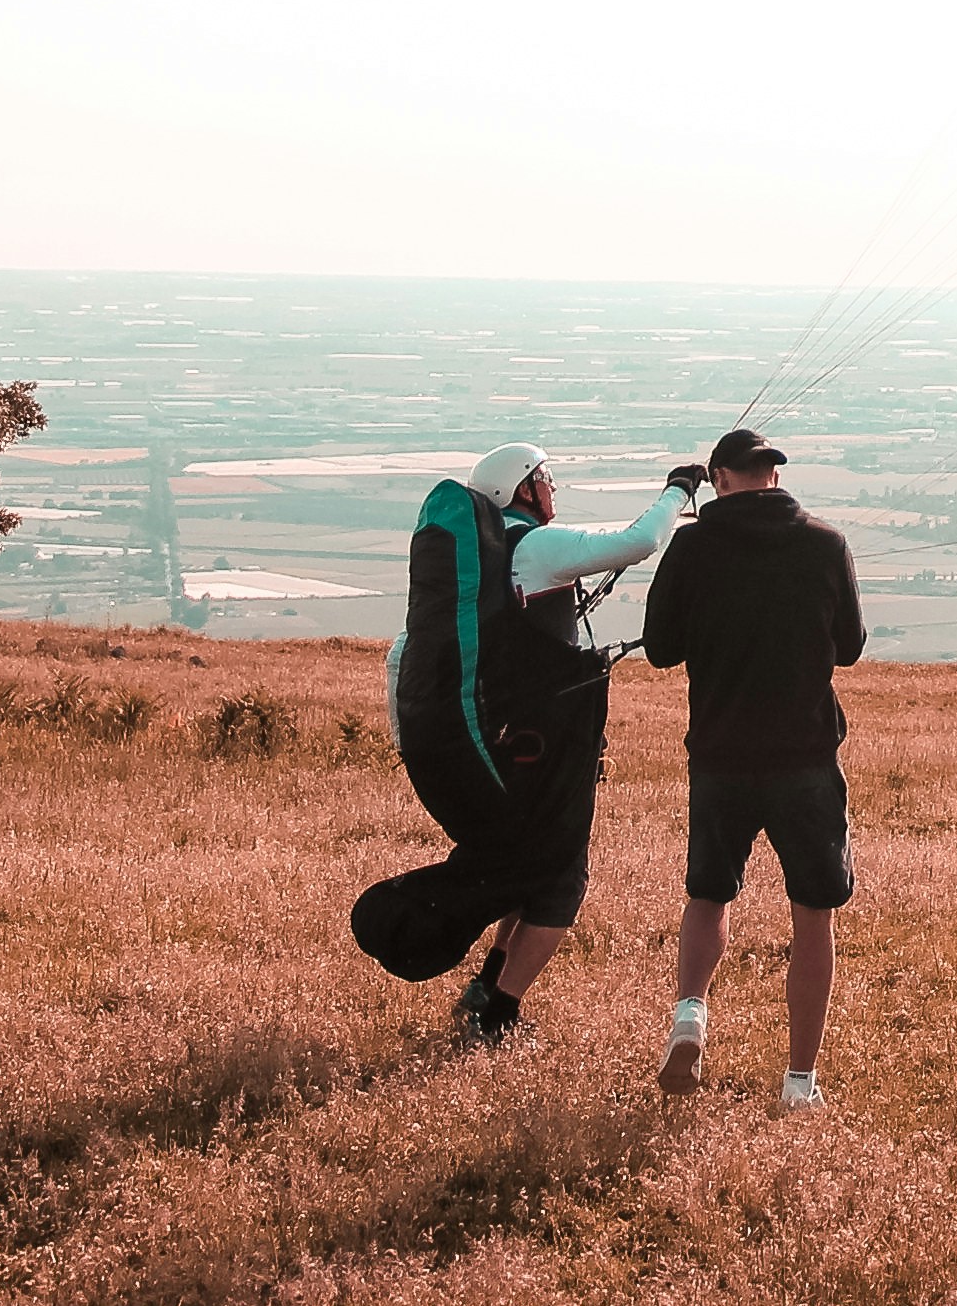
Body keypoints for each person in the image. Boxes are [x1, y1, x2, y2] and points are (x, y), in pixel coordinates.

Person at [358, 442, 691, 1047]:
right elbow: (639, 542)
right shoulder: (534, 547)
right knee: (562, 878)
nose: (553, 488)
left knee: (528, 865)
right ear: (522, 488)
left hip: (489, 749)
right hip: (543, 751)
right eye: (546, 478)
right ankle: (497, 1016)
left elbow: (404, 654)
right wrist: (678, 491)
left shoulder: (477, 567)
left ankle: (486, 987)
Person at [642, 424, 866, 1109]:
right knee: (813, 915)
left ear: (720, 479)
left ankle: (690, 1014)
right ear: (774, 475)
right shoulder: (825, 543)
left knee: (709, 895)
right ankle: (800, 1082)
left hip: (720, 754)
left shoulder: (692, 546)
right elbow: (850, 647)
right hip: (805, 758)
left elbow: (659, 648)